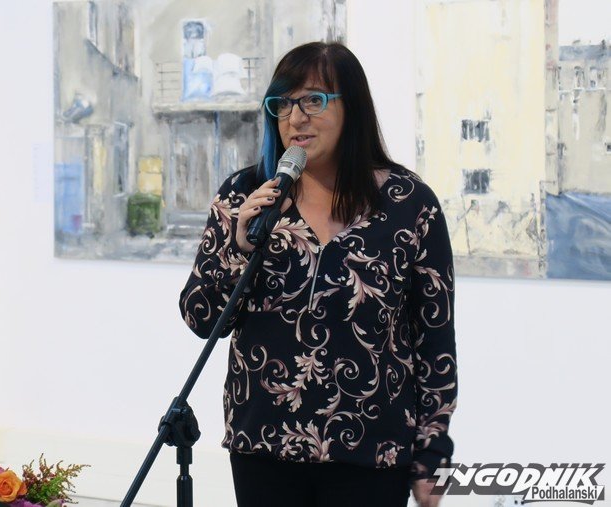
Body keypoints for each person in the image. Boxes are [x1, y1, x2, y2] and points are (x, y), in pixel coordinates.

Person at [178, 42, 457, 507]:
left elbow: (434, 339)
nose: (295, 118)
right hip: (264, 445)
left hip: (374, 451)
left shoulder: (410, 204)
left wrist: (433, 451)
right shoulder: (246, 194)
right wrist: (239, 249)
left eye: (313, 100)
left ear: (353, 108)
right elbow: (201, 318)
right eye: (283, 104)